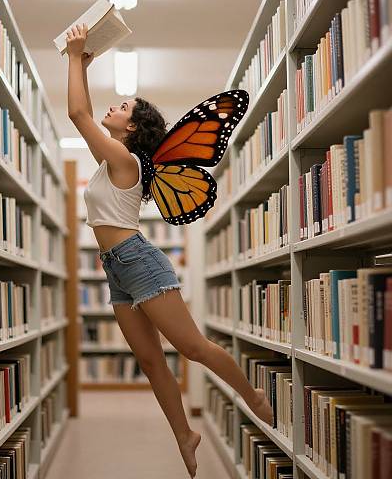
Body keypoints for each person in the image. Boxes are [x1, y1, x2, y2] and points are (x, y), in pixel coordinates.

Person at [66, 23, 273, 478]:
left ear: (132, 126)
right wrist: (79, 63)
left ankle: (253, 394)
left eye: (122, 106)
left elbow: (78, 114)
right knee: (149, 360)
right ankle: (184, 433)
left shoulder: (126, 161)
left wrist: (75, 57)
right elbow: (84, 119)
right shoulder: (107, 162)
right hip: (116, 268)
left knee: (192, 348)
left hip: (139, 261)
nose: (112, 106)